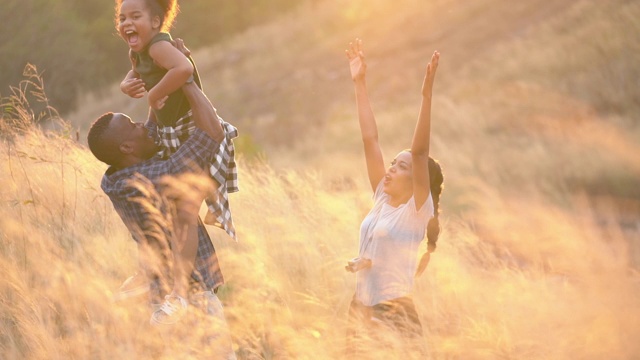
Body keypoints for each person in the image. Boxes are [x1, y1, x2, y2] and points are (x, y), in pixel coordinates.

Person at [87, 75, 236, 359]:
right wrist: (188, 79)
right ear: (127, 148)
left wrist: (155, 94)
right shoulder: (157, 178)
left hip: (163, 297)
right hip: (191, 298)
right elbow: (213, 132)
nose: (143, 125)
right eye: (133, 126)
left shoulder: (116, 178)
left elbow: (150, 129)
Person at [115, 0, 238, 324]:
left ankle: (180, 292)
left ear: (156, 22)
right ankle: (155, 275)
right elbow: (139, 70)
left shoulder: (158, 45)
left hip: (194, 129)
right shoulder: (140, 50)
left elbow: (182, 70)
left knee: (184, 212)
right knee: (171, 210)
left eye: (135, 16)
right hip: (173, 133)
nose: (127, 23)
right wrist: (127, 83)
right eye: (122, 17)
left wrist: (154, 96)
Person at [343, 39, 444, 356]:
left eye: (401, 167)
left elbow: (419, 153)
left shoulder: (416, 211)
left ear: (416, 181)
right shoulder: (382, 199)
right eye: (392, 164)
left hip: (395, 316)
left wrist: (426, 96)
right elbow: (370, 139)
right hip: (360, 308)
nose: (390, 170)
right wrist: (360, 83)